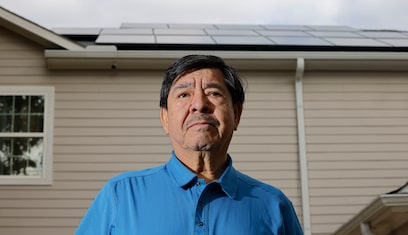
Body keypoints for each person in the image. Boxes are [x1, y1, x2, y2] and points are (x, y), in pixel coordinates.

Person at [75, 55, 303, 235]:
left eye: (213, 93)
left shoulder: (274, 206)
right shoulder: (120, 195)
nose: (199, 105)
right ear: (164, 118)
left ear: (236, 113)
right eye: (184, 94)